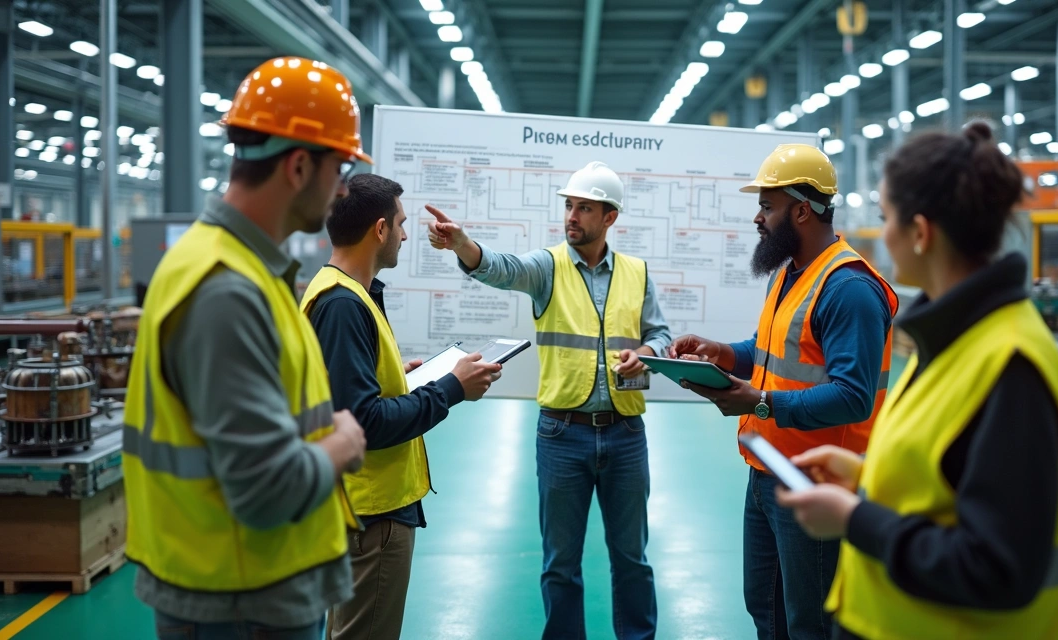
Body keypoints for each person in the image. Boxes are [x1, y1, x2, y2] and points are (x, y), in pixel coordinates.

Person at [779, 122, 1058, 640]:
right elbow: (946, 474)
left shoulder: (1010, 364)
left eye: (886, 217)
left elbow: (998, 568)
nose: (882, 235)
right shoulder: (951, 333)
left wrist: (855, 519)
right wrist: (868, 478)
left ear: (920, 233)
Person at [121, 57, 370, 640]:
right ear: (299, 165)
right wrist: (342, 443)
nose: (341, 190)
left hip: (248, 587)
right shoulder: (225, 290)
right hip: (240, 603)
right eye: (339, 169)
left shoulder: (245, 267)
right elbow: (263, 491)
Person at [426, 161, 672, 640]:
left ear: (609, 218)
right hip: (562, 435)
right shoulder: (548, 266)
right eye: (569, 206)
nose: (572, 216)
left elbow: (660, 333)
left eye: (584, 207)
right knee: (560, 564)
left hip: (625, 435)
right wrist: (462, 245)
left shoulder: (637, 273)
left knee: (632, 560)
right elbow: (503, 269)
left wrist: (646, 353)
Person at [669, 144, 898, 640]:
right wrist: (721, 354)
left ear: (802, 210)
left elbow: (853, 396)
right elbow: (769, 350)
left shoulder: (849, 289)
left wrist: (761, 402)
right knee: (766, 609)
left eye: (767, 206)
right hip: (767, 472)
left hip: (814, 479)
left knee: (811, 623)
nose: (758, 217)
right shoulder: (791, 273)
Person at [300, 173, 502, 640]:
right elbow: (363, 424)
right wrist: (451, 388)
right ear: (379, 230)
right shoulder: (344, 305)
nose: (407, 235)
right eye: (402, 223)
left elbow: (346, 395)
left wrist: (407, 381)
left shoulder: (343, 292)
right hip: (370, 515)